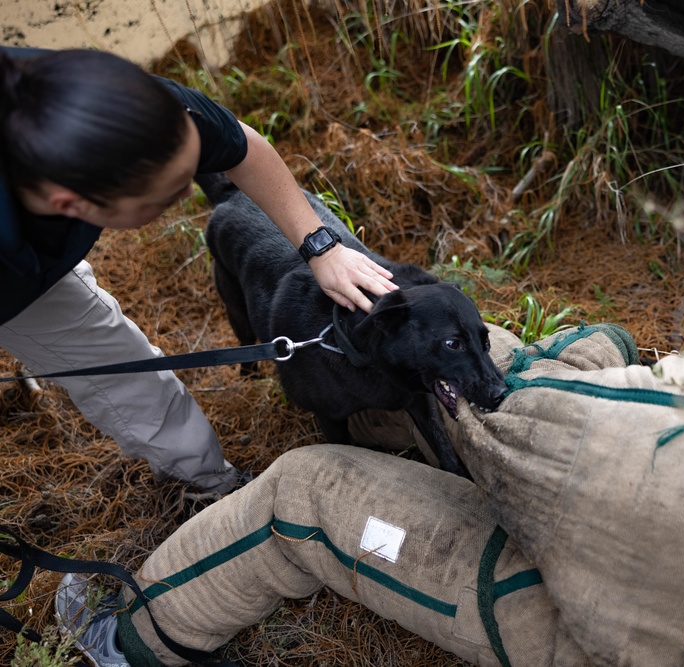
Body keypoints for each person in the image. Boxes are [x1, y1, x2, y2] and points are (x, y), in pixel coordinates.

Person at [53, 239, 684, 666]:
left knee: (305, 489)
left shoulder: (608, 446)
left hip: (555, 614)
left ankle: (126, 637)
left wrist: (595, 342)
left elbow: (506, 411)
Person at [0, 47, 397, 493]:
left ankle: (204, 483)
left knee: (117, 364)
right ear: (72, 206)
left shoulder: (119, 105)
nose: (191, 193)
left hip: (35, 271)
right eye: (168, 197)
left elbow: (244, 150)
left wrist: (322, 248)